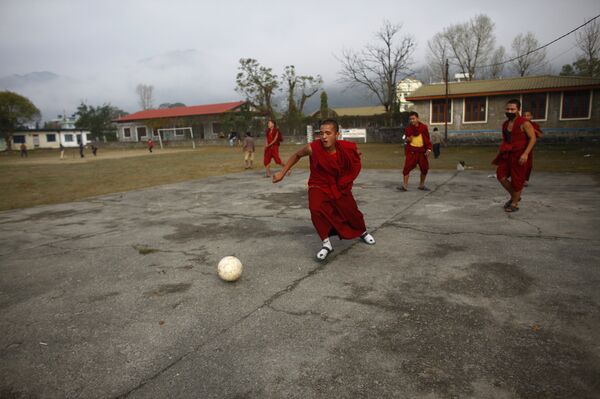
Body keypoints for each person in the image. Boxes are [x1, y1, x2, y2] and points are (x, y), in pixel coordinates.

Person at [272, 119, 375, 261]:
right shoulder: (312, 148)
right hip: (319, 183)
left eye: (328, 133)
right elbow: (297, 155)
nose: (324, 137)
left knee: (350, 210)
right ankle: (326, 243)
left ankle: (362, 231)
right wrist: (282, 173)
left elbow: (354, 156)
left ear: (337, 134)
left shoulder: (345, 147)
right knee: (315, 208)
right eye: (321, 133)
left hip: (338, 184)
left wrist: (355, 155)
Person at [492, 99, 537, 212]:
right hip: (507, 154)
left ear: (518, 110)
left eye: (513, 109)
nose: (510, 111)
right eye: (508, 109)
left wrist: (526, 154)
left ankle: (515, 203)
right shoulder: (505, 124)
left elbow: (533, 138)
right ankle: (515, 197)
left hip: (520, 155)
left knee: (517, 179)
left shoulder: (525, 123)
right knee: (500, 174)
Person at [397, 111, 432, 191]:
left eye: (413, 118)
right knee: (406, 168)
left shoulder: (423, 127)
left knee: (424, 168)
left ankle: (421, 185)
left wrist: (429, 149)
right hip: (412, 152)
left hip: (422, 152)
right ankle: (405, 186)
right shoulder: (408, 129)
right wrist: (407, 140)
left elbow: (427, 139)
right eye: (410, 119)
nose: (412, 120)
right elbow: (405, 140)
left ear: (417, 119)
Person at [523, 111, 543, 187]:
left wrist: (532, 129)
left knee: (528, 165)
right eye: (524, 115)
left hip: (529, 147)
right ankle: (518, 179)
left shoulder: (534, 125)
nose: (526, 117)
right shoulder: (520, 125)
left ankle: (525, 180)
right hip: (520, 146)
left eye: (528, 115)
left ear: (531, 117)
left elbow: (540, 135)